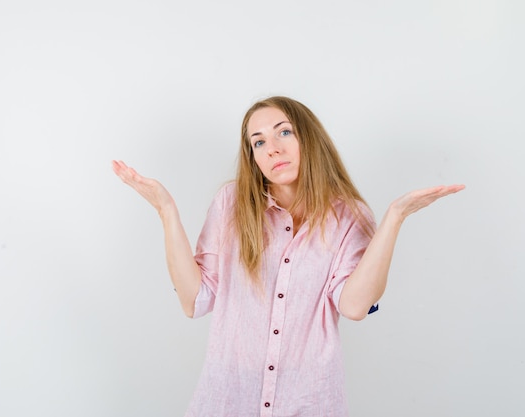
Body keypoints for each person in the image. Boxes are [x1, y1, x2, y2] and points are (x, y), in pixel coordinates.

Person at [112, 96, 464, 417]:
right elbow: (196, 300)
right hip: (226, 403)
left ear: (309, 138)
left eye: (284, 132)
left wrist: (395, 217)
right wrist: (165, 210)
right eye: (259, 142)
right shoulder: (231, 204)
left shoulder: (350, 217)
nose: (272, 149)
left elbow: (354, 306)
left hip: (309, 403)